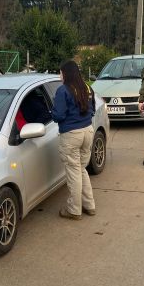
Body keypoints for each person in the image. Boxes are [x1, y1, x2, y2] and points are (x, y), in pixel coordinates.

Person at [51, 60, 96, 220]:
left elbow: (58, 116)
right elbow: (92, 109)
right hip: (88, 131)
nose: (60, 75)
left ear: (66, 73)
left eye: (60, 72)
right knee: (81, 169)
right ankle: (89, 205)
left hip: (71, 135)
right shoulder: (87, 87)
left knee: (74, 173)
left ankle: (74, 210)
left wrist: (51, 111)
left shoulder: (63, 90)